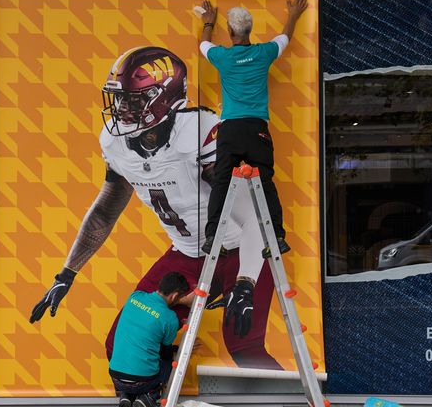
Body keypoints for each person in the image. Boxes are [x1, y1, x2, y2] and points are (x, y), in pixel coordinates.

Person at [29, 46, 282, 369]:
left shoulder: (200, 132)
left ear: (164, 97)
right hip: (188, 252)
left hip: (240, 249)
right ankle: (150, 394)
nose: (121, 109)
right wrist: (67, 274)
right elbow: (106, 210)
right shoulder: (115, 142)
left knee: (244, 348)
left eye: (133, 100)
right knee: (122, 338)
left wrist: (246, 282)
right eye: (119, 99)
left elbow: (252, 219)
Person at [199, 0, 309, 259]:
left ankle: (213, 235)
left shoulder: (222, 56)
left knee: (222, 181)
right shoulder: (263, 53)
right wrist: (293, 14)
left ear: (230, 31)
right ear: (249, 30)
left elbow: (203, 44)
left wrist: (208, 23)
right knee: (265, 181)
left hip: (230, 130)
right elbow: (285, 37)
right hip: (257, 129)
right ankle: (278, 238)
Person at [109, 272, 191, 407]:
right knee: (169, 363)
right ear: (175, 296)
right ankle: (149, 396)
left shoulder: (135, 297)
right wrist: (179, 348)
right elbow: (165, 353)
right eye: (180, 297)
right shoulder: (170, 318)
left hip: (116, 377)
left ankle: (126, 396)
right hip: (143, 382)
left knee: (139, 362)